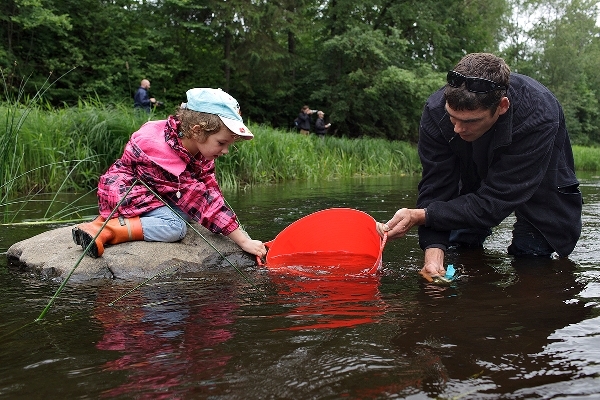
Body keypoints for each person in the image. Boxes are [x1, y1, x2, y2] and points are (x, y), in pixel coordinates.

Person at [376, 53, 582, 279]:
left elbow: (495, 201)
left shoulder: (540, 113)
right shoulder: (436, 111)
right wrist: (433, 254)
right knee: (457, 248)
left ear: (502, 107)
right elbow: (436, 185)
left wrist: (420, 215)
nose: (457, 129)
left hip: (539, 184)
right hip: (472, 176)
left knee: (530, 257)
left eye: (470, 121)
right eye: (453, 117)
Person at [72, 88, 267, 259]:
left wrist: (238, 231)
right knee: (175, 226)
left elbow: (210, 190)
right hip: (126, 193)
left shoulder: (198, 150)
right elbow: (200, 200)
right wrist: (243, 242)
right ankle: (105, 230)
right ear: (197, 131)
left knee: (191, 216)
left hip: (156, 194)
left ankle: (113, 223)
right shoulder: (162, 156)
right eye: (221, 143)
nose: (225, 150)